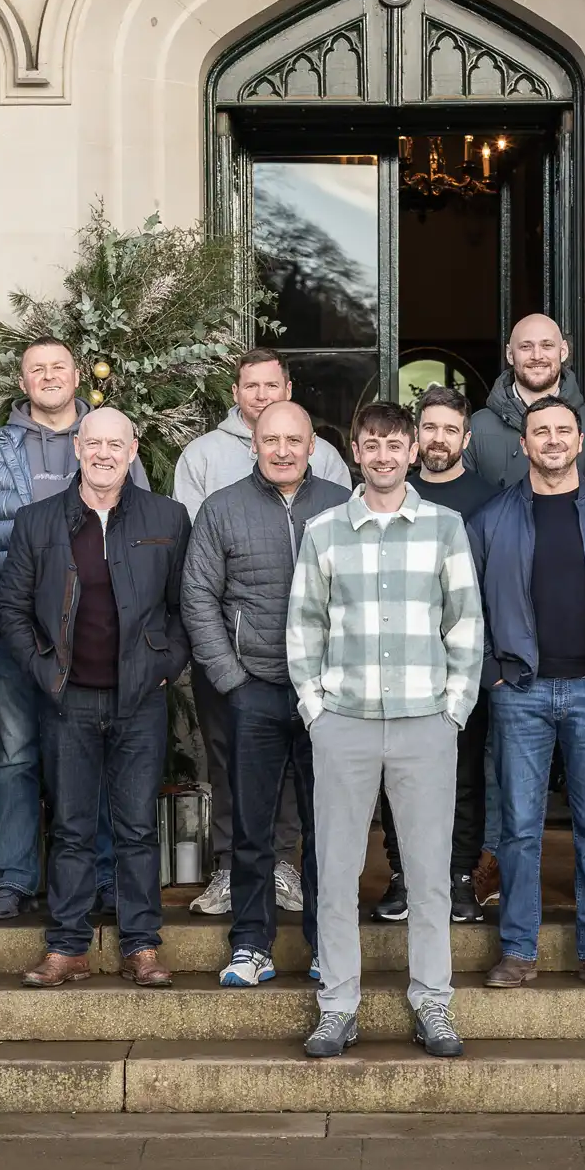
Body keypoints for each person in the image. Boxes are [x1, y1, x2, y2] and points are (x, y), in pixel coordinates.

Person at [288, 402, 483, 1059]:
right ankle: (338, 1006)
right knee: (338, 872)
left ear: (410, 452)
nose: (383, 455)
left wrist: (452, 710)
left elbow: (465, 625)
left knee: (429, 874)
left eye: (394, 445)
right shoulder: (323, 532)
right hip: (344, 724)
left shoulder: (444, 526)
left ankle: (433, 1003)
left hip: (424, 724)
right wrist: (316, 712)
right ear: (355, 450)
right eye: (371, 444)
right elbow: (305, 628)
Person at [0, 407, 192, 989]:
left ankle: (141, 944)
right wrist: (41, 668)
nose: (104, 453)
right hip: (68, 698)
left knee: (135, 827)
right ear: (77, 449)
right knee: (73, 827)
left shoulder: (167, 517)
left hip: (140, 699)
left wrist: (165, 666)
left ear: (133, 452)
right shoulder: (38, 522)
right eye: (94, 443)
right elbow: (12, 609)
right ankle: (68, 946)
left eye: (116, 444)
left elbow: (187, 606)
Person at [469, 397, 585, 990]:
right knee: (519, 827)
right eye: (539, 431)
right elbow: (462, 608)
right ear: (523, 444)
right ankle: (518, 950)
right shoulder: (492, 519)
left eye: (562, 431)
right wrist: (490, 673)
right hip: (519, 692)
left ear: (581, 443)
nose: (551, 440)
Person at [0, 335, 149, 922]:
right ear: (22, 384)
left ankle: (101, 877)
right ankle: (16, 879)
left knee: (94, 760)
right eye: (35, 370)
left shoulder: (107, 439)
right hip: (15, 632)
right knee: (16, 757)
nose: (47, 376)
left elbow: (138, 532)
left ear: (78, 377)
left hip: (97, 644)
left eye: (57, 367)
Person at [182, 401, 346, 985]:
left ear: (311, 446)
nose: (281, 450)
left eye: (293, 440)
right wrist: (232, 679)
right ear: (253, 443)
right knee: (251, 827)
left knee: (326, 827)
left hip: (327, 696)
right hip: (255, 691)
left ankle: (329, 947)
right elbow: (198, 596)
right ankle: (251, 945)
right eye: (270, 439)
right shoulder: (222, 509)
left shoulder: (340, 507)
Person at [376, 384, 499, 922]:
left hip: (463, 668)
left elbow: (496, 589)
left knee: (463, 776)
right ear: (412, 438)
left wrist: (486, 666)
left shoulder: (490, 501)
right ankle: (403, 875)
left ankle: (458, 876)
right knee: (394, 777)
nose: (439, 439)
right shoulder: (392, 496)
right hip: (397, 667)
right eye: (430, 428)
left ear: (466, 438)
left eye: (451, 429)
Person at [462, 313, 585, 489]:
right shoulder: (476, 428)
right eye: (526, 347)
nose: (537, 356)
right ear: (510, 355)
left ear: (563, 351)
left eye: (547, 345)